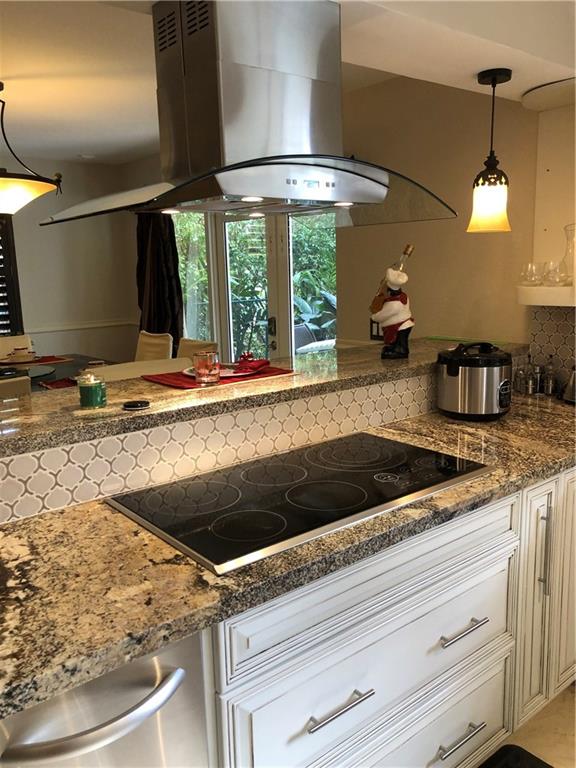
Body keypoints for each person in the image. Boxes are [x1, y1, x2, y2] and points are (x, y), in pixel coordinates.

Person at [370, 266, 415, 359]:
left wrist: (374, 317)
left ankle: (401, 351)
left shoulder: (394, 304)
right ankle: (397, 349)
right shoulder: (404, 296)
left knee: (400, 341)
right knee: (399, 341)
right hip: (405, 324)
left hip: (399, 326)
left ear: (389, 291)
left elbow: (382, 315)